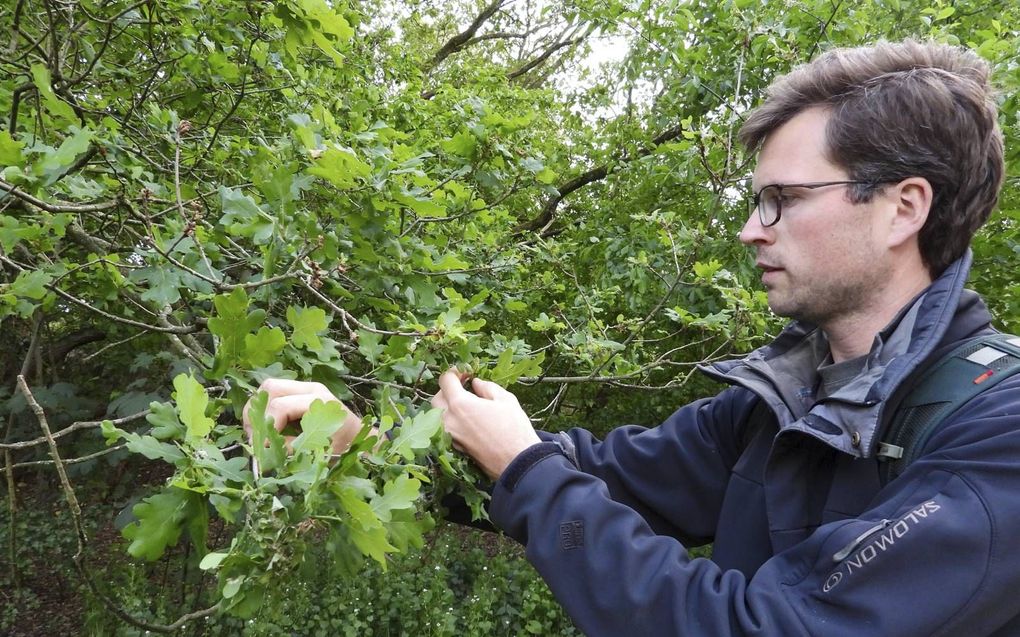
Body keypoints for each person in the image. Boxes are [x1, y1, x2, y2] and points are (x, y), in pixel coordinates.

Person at [248, 40, 1020, 635]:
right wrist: (367, 442)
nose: (753, 231)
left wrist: (525, 467)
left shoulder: (997, 432)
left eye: (783, 199)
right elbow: (589, 474)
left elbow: (758, 624)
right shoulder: (782, 400)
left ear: (903, 208)